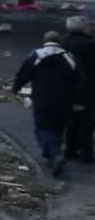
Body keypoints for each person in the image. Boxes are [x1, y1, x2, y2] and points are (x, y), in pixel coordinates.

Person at [13, 30, 82, 176]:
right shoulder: (69, 57)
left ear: (44, 41)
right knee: (58, 128)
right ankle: (52, 156)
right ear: (59, 41)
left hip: (42, 98)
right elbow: (79, 80)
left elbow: (24, 74)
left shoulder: (36, 54)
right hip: (64, 100)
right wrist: (78, 100)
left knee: (42, 128)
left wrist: (16, 88)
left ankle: (54, 154)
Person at [63, 16, 95, 164]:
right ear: (82, 28)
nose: (91, 28)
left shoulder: (64, 42)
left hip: (68, 87)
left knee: (72, 122)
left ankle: (70, 150)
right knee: (87, 123)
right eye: (89, 26)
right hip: (87, 88)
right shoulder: (89, 45)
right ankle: (86, 153)